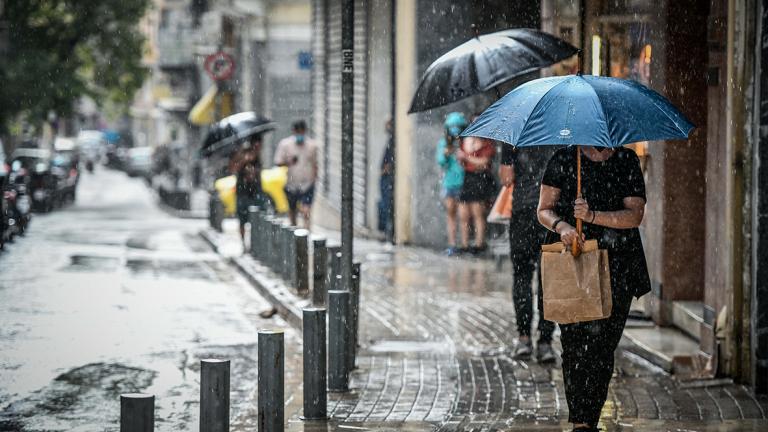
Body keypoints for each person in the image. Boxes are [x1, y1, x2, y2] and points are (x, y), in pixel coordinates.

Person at [537, 145, 650, 432]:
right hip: (574, 264)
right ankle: (581, 422)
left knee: (602, 348)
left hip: (618, 267)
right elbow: (544, 210)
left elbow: (634, 215)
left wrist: (592, 216)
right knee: (574, 345)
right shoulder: (563, 159)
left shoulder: (626, 160)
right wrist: (563, 227)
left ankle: (590, 417)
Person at [500, 145, 557, 362]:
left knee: (522, 276)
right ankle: (545, 341)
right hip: (552, 216)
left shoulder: (515, 136)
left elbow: (506, 179)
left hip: (523, 212)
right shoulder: (562, 130)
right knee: (548, 279)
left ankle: (524, 338)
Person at [456, 134, 496, 254]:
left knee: (478, 213)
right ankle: (464, 244)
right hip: (468, 178)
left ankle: (479, 244)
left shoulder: (487, 144)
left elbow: (484, 163)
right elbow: (462, 162)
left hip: (480, 179)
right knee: (463, 214)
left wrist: (467, 157)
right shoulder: (466, 142)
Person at [274, 120, 318, 228]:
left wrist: (315, 179)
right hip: (291, 184)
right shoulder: (285, 145)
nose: (300, 135)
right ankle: (294, 231)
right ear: (293, 132)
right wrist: (289, 162)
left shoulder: (312, 146)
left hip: (307, 184)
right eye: (297, 132)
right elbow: (278, 162)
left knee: (306, 209)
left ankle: (306, 231)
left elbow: (315, 164)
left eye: (301, 132)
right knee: (292, 210)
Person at [435, 112, 467, 255]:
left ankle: (464, 244)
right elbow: (441, 162)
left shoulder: (465, 142)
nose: (455, 130)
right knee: (451, 214)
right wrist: (446, 154)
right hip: (449, 183)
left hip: (463, 182)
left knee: (463, 216)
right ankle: (452, 244)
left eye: (458, 126)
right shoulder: (443, 143)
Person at [229, 135, 268, 248]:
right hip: (243, 192)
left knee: (258, 218)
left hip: (256, 191)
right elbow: (232, 168)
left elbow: (259, 172)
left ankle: (256, 244)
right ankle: (243, 243)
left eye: (260, 146)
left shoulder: (259, 156)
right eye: (256, 145)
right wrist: (244, 161)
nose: (258, 147)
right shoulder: (241, 153)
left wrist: (254, 171)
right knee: (242, 219)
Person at [378, 119, 395, 243]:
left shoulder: (393, 141)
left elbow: (390, 162)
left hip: (387, 178)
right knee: (384, 204)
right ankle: (385, 231)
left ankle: (386, 231)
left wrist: (385, 170)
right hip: (385, 178)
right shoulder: (391, 140)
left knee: (386, 204)